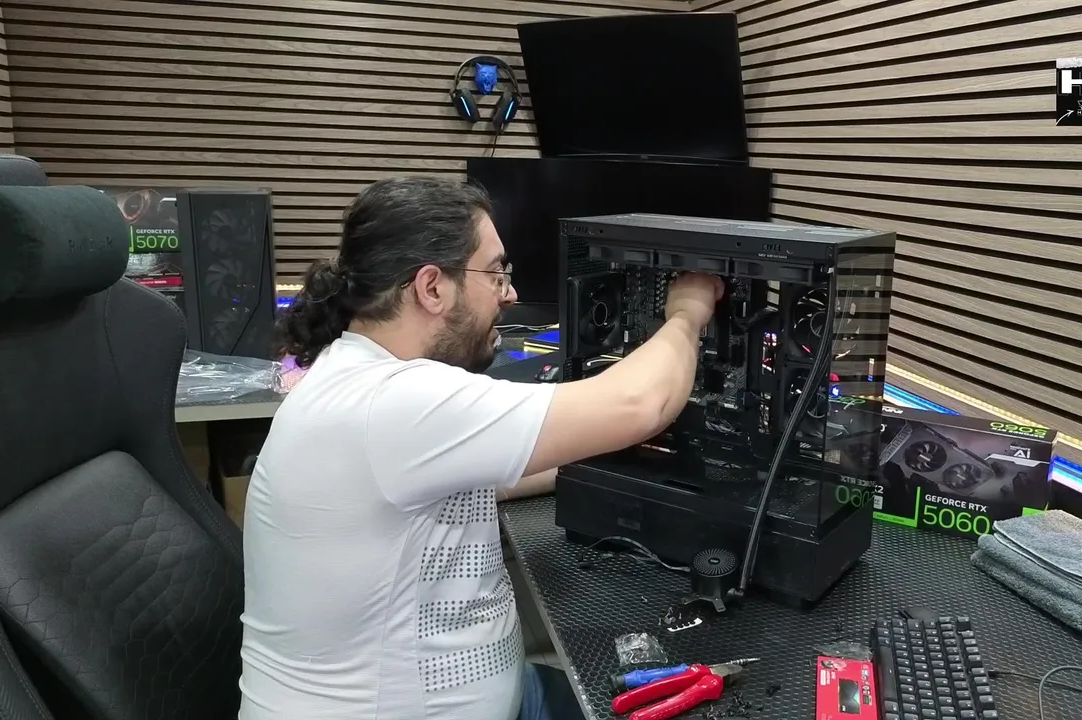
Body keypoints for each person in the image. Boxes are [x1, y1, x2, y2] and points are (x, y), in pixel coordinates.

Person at [238, 176, 723, 720]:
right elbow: (642, 404)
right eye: (495, 273)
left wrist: (594, 449)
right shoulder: (396, 402)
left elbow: (486, 475)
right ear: (431, 287)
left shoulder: (353, 372)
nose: (509, 293)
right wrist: (687, 313)